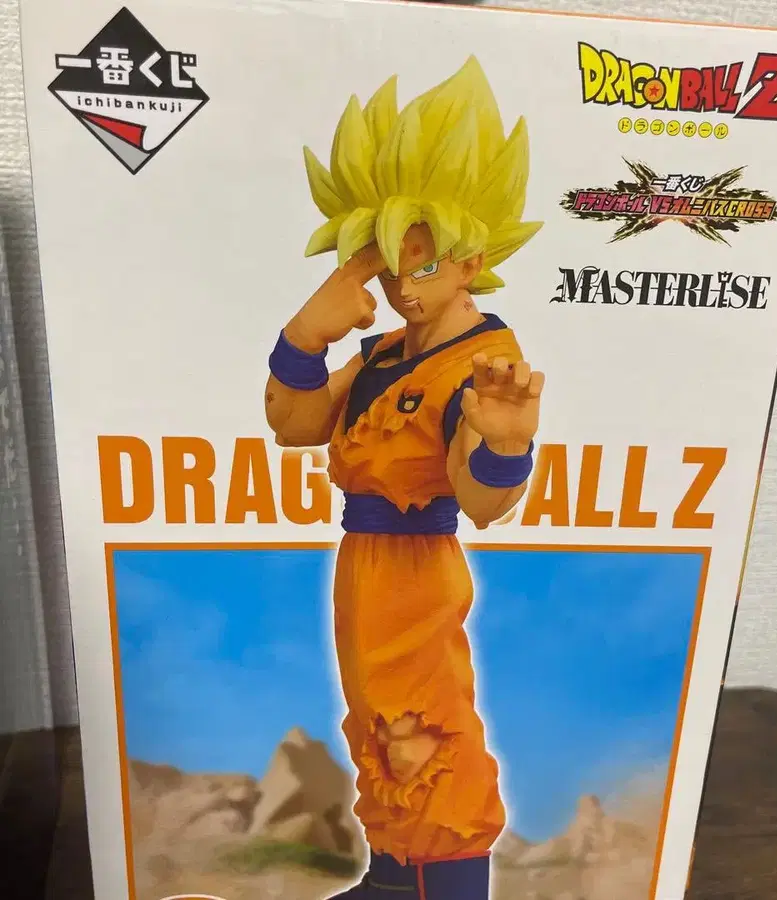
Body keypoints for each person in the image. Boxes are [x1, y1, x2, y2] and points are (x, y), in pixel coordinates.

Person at [264, 57, 544, 900]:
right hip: (363, 566)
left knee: (422, 729)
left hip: (417, 569)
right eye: (390, 269)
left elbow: (484, 503)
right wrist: (304, 337)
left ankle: (446, 888)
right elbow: (297, 425)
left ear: (471, 258)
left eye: (422, 267)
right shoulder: (384, 351)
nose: (401, 289)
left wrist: (505, 448)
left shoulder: (482, 363)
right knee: (375, 723)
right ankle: (394, 874)